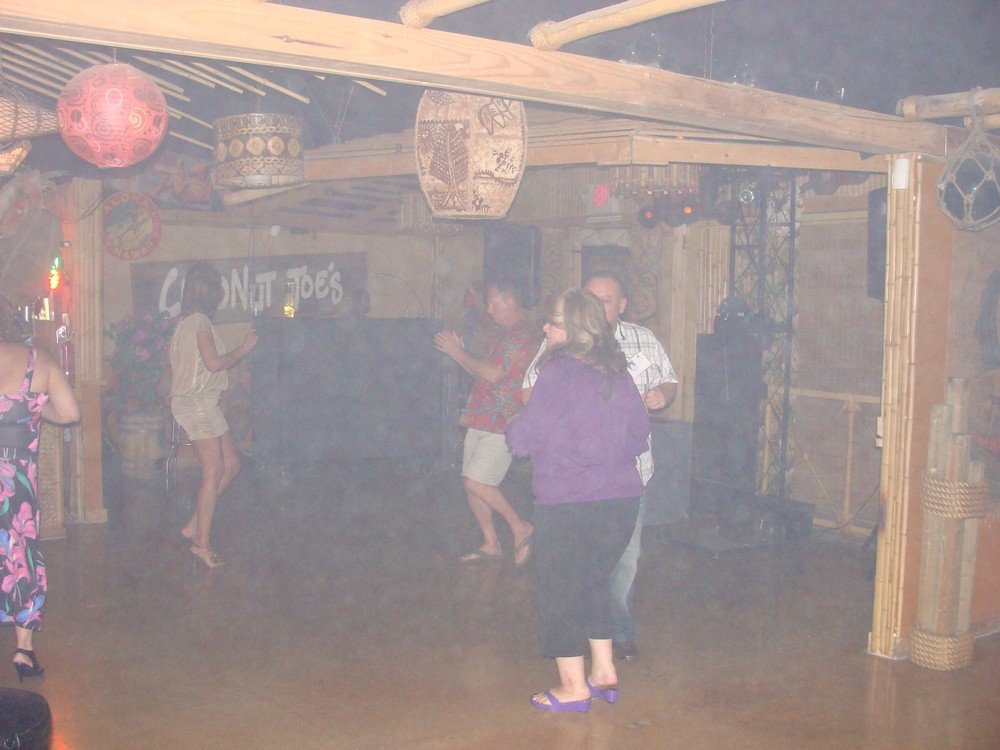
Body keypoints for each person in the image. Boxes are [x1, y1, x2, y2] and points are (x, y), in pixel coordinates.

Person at [506, 288, 650, 712]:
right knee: (592, 582)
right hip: (621, 502)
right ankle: (603, 672)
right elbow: (639, 435)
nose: (545, 328)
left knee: (561, 591)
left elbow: (526, 439)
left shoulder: (559, 372)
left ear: (570, 328)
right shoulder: (617, 374)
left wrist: (515, 426)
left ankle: (573, 688)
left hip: (570, 502)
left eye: (552, 322)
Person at [523, 270, 677, 662]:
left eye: (604, 299)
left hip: (600, 483)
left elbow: (665, 388)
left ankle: (596, 656)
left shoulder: (639, 343)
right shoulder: (565, 358)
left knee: (600, 573)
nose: (595, 304)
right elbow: (528, 394)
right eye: (590, 297)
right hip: (612, 483)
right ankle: (603, 663)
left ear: (621, 305)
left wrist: (661, 396)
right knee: (592, 576)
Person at [0, 300, 80, 680]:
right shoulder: (38, 360)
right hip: (16, 480)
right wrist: (33, 408)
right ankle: (23, 651)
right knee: (20, 555)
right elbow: (70, 413)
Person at [434, 278, 538, 565]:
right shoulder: (496, 332)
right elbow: (479, 371)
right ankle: (491, 543)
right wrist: (459, 354)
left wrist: (457, 353)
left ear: (510, 301)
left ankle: (521, 527)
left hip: (504, 419)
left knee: (476, 481)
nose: (488, 309)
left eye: (492, 303)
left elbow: (494, 375)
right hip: (480, 414)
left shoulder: (523, 336)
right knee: (469, 483)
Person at [170, 262, 257, 568]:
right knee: (214, 469)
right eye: (217, 288)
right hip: (196, 402)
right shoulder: (198, 322)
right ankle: (201, 544)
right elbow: (214, 363)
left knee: (231, 464)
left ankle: (195, 524)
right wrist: (244, 348)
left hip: (205, 401)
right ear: (209, 291)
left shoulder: (188, 322)